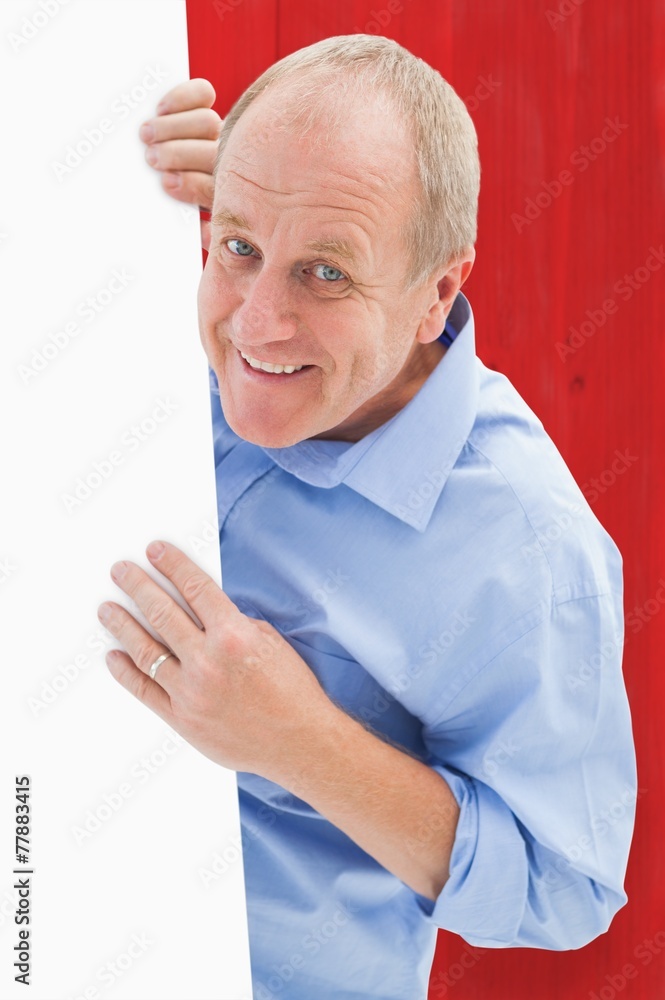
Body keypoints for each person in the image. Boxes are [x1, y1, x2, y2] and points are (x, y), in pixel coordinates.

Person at [97, 35, 637, 1000]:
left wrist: (301, 742)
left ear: (437, 293)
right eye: (242, 248)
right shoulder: (149, 309)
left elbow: (565, 889)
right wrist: (104, 161)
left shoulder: (529, 547)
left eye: (327, 274)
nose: (255, 323)